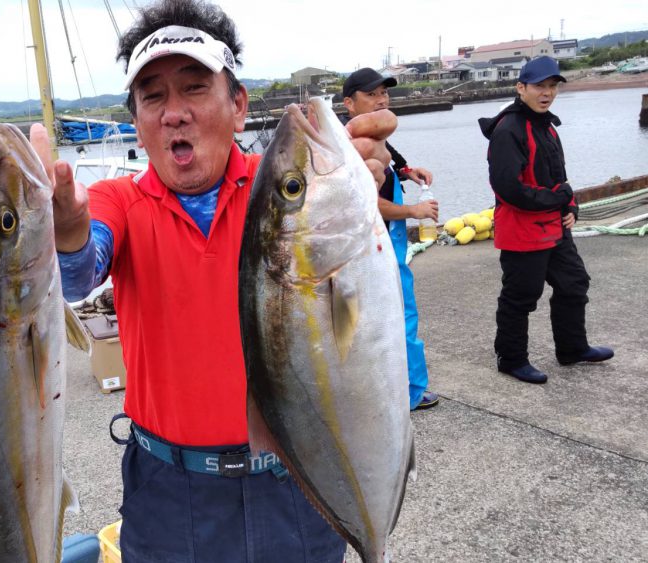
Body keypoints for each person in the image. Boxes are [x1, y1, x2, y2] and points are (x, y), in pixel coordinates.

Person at [31, 1, 396, 560]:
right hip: (169, 492)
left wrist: (359, 175)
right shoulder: (118, 203)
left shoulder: (285, 189)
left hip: (294, 476)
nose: (173, 112)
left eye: (195, 88)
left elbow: (350, 256)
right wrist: (69, 227)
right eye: (153, 96)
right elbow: (82, 267)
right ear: (137, 121)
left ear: (238, 105)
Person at [478, 56, 613, 384]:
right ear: (520, 87)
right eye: (540, 86)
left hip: (553, 225)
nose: (547, 93)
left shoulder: (546, 125)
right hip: (522, 228)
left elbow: (559, 178)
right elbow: (509, 188)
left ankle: (572, 348)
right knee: (521, 295)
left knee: (574, 283)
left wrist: (571, 207)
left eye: (553, 86)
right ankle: (510, 358)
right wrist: (558, 199)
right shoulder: (508, 129)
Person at [341, 67, 439, 411]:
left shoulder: (380, 140)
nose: (382, 99)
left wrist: (409, 173)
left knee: (395, 319)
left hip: (392, 249)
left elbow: (389, 173)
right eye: (372, 94)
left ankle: (399, 389)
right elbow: (366, 205)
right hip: (375, 251)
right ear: (349, 104)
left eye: (385, 92)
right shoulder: (349, 149)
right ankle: (408, 393)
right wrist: (414, 211)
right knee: (395, 320)